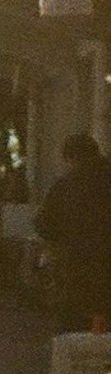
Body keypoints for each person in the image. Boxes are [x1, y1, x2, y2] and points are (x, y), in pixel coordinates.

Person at [37, 133, 111, 332]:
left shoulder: (66, 186)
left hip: (77, 275)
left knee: (77, 342)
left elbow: (44, 225)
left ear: (72, 158)